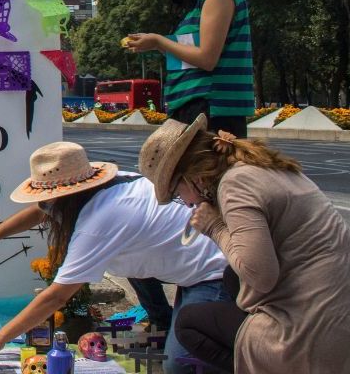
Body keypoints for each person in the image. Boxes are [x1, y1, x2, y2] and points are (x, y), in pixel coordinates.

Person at [0, 142, 228, 374]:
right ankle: (164, 321)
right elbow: (40, 211)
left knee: (182, 362)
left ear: (65, 196)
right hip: (188, 257)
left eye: (50, 197)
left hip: (213, 273)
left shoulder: (99, 222)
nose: (47, 205)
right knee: (128, 259)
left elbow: (56, 296)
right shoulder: (101, 186)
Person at [139, 114, 350, 373]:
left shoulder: (235, 184)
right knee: (230, 278)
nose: (189, 203)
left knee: (187, 322)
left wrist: (214, 227)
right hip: (337, 315)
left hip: (310, 333)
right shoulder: (260, 167)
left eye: (177, 194)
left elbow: (260, 276)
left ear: (192, 177)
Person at [123, 0, 252, 138]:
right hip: (195, 105)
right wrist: (158, 45)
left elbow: (207, 57)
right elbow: (191, 57)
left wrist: (158, 41)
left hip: (212, 108)